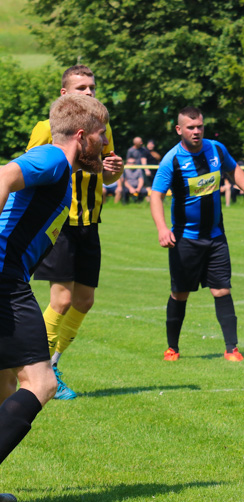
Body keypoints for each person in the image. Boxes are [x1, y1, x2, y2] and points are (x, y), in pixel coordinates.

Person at [0, 93, 110, 502]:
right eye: (101, 137)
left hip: (8, 278)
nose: (104, 145)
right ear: (81, 136)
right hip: (5, 280)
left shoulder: (65, 169)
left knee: (6, 382)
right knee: (41, 383)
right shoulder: (53, 159)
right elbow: (5, 174)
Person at [25, 65, 124, 400]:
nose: (90, 93)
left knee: (84, 300)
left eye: (93, 87)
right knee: (62, 299)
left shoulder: (103, 127)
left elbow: (107, 176)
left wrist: (114, 171)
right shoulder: (46, 128)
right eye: (82, 87)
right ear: (64, 94)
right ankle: (34, 368)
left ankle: (51, 363)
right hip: (60, 223)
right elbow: (30, 168)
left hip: (90, 224)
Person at [149, 106, 244, 362]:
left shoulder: (216, 149)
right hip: (185, 239)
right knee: (180, 293)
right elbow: (156, 196)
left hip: (215, 237)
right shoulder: (172, 159)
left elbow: (233, 170)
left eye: (199, 126)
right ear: (179, 130)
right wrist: (162, 228)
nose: (196, 131)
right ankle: (172, 348)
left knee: (222, 290)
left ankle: (231, 348)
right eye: (191, 127)